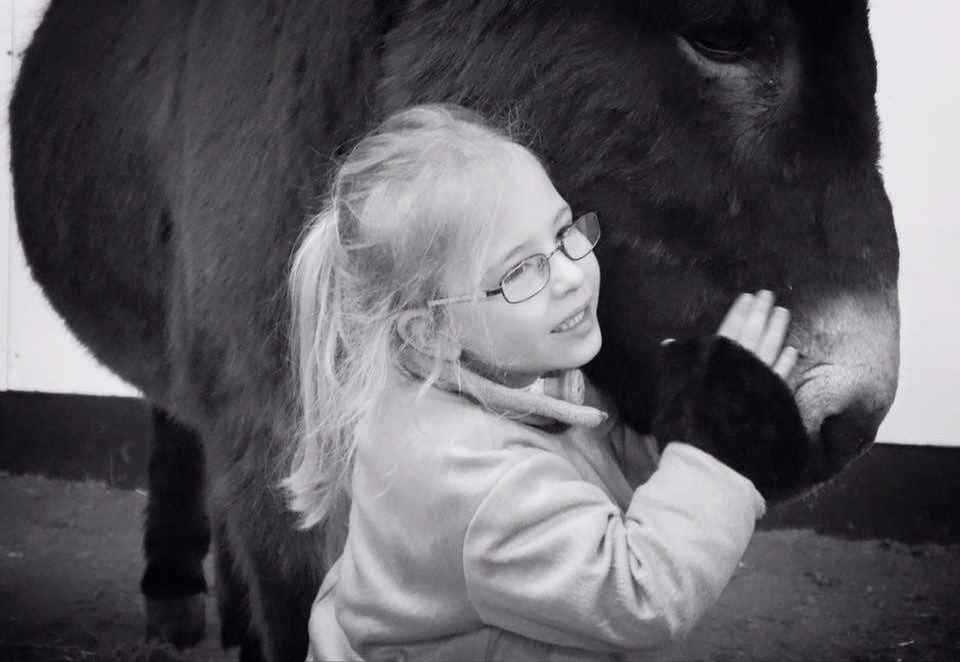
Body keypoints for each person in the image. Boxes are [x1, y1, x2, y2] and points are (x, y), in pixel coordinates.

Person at [284, 104, 807, 661]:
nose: (570, 274)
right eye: (520, 271)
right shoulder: (474, 480)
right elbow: (636, 594)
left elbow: (586, 459)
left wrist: (673, 430)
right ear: (431, 330)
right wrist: (721, 441)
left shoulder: (491, 370)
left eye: (562, 233)